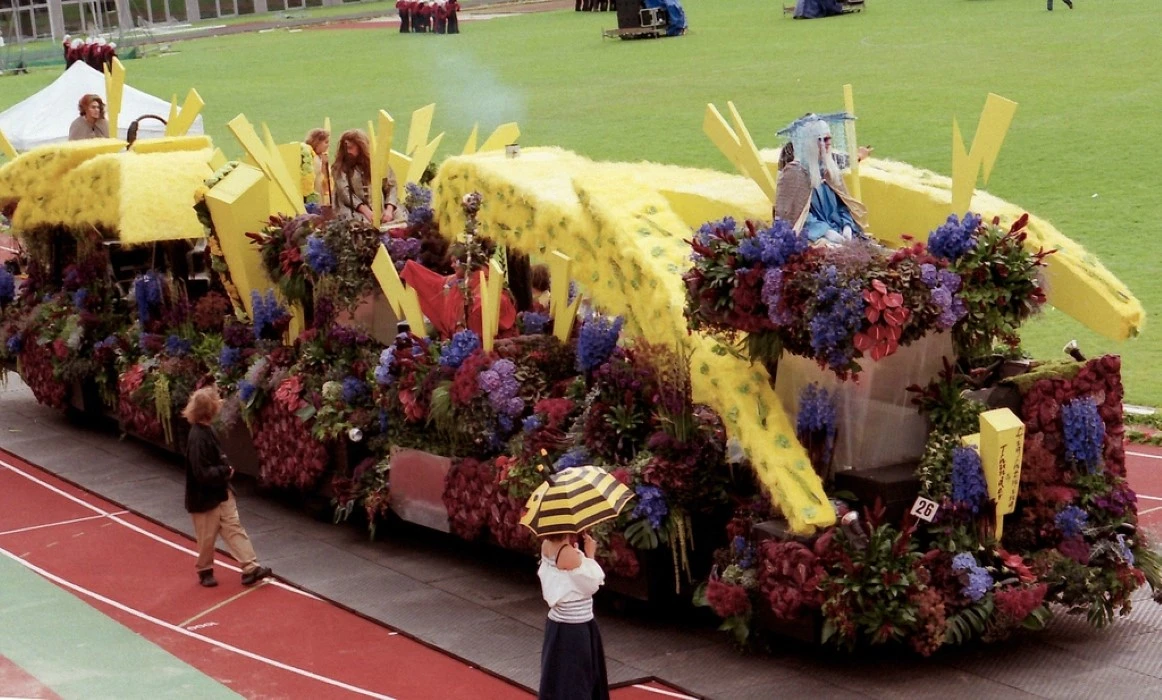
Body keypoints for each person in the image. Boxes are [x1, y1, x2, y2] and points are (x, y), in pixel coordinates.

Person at [183, 386, 272, 588]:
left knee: (234, 528)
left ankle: (250, 567)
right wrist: (225, 471)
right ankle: (204, 569)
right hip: (205, 497)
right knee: (207, 537)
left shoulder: (205, 431)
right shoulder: (198, 437)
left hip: (220, 492)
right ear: (210, 409)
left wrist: (224, 471)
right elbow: (201, 472)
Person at [773, 115, 869, 244]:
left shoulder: (828, 168)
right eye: (822, 139)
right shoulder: (794, 173)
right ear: (809, 142)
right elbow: (795, 216)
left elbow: (842, 204)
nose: (828, 142)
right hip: (813, 238)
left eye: (829, 138)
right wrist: (826, 232)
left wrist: (847, 225)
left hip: (840, 231)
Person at [537, 531, 610, 700]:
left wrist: (580, 554)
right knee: (578, 681)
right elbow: (593, 582)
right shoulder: (566, 552)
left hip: (559, 625)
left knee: (558, 679)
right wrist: (590, 553)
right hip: (575, 629)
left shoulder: (547, 545)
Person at [332, 129, 403, 225]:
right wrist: (366, 211)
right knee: (360, 225)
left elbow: (391, 186)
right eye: (345, 149)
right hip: (352, 210)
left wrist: (389, 209)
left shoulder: (378, 164)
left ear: (360, 147)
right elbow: (345, 193)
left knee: (401, 220)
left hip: (381, 209)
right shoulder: (340, 168)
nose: (348, 152)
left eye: (351, 148)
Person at [304, 128, 332, 207]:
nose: (328, 145)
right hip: (313, 194)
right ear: (317, 142)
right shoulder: (308, 157)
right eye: (326, 142)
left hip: (323, 193)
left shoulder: (323, 157)